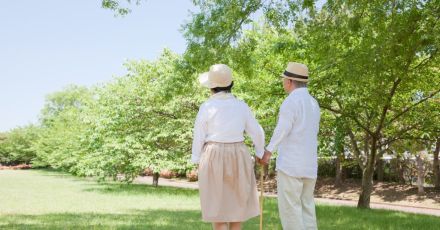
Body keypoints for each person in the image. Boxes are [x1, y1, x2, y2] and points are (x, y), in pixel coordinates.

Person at [191, 64, 265, 230]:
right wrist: (260, 152)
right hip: (238, 154)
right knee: (236, 210)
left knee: (217, 212)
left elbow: (199, 135)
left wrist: (196, 159)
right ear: (230, 84)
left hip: (213, 154)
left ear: (211, 86)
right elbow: (257, 132)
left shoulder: (207, 107)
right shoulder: (241, 106)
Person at [259, 62, 321, 230]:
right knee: (307, 208)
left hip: (291, 165)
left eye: (284, 79)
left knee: (291, 211)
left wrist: (268, 151)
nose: (283, 82)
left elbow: (282, 130)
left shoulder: (291, 101)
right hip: (309, 166)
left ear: (290, 81)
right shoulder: (314, 103)